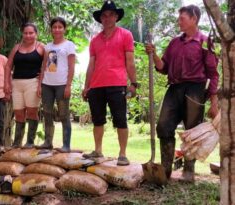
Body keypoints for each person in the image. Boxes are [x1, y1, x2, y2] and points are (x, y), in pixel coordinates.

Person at [145, 5, 219, 182]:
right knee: (163, 126)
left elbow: (213, 73)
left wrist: (214, 101)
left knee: (191, 132)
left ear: (194, 18)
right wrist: (154, 54)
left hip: (195, 88)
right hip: (174, 88)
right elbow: (163, 67)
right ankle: (165, 170)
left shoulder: (204, 41)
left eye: (182, 18)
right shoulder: (174, 42)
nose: (179, 21)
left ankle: (188, 171)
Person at [81, 1, 137, 166]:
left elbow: (130, 62)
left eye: (111, 15)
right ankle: (98, 151)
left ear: (116, 16)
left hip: (117, 84)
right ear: (101, 19)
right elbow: (91, 64)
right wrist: (86, 86)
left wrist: (133, 84)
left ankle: (122, 154)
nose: (107, 18)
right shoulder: (95, 40)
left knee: (120, 120)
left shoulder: (125, 35)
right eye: (104, 15)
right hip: (96, 86)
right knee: (98, 120)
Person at [36, 17, 76, 152]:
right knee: (47, 113)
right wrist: (40, 84)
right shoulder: (48, 47)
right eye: (55, 27)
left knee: (64, 114)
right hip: (47, 84)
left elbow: (71, 67)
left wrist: (68, 85)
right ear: (51, 30)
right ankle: (48, 142)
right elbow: (44, 66)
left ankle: (66, 145)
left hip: (62, 85)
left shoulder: (69, 45)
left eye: (60, 27)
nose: (57, 29)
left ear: (64, 29)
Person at [4, 23, 44, 148]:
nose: (28, 35)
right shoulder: (17, 47)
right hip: (16, 83)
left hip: (33, 82)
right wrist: (7, 83)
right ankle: (16, 143)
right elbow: (8, 66)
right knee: (18, 113)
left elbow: (48, 65)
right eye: (26, 33)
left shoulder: (41, 47)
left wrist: (41, 82)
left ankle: (30, 142)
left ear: (36, 34)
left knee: (32, 112)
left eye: (31, 33)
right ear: (23, 34)